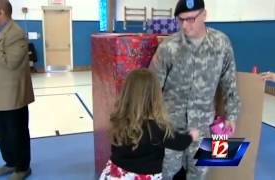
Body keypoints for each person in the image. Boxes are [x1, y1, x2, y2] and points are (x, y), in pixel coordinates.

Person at [149, 0, 241, 179]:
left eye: (191, 19)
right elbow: (151, 89)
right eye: (181, 20)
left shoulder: (221, 43)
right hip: (170, 128)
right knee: (164, 173)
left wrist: (232, 116)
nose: (185, 25)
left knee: (199, 174)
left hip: (205, 127)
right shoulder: (168, 47)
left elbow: (229, 83)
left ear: (204, 15)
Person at [99, 69, 200, 180]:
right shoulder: (156, 128)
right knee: (197, 168)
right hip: (199, 120)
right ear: (155, 97)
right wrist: (191, 136)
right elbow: (179, 143)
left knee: (204, 164)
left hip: (117, 174)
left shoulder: (119, 119)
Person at [0, 0, 34, 179]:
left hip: (13, 95)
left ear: (1, 12)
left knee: (16, 132)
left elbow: (11, 63)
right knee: (2, 131)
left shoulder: (16, 33)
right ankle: (10, 162)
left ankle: (22, 167)